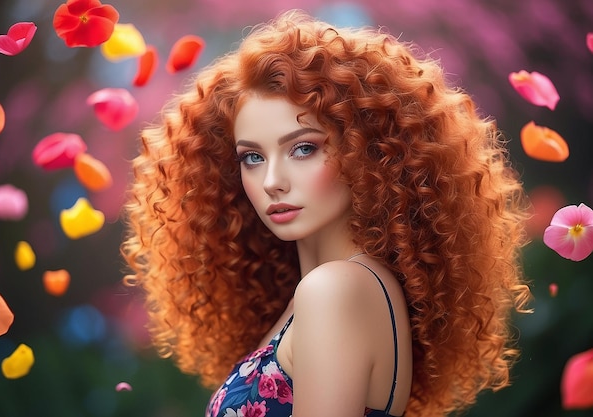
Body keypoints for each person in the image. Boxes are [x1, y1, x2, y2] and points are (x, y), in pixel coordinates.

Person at [121, 10, 531, 417]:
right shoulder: (342, 289)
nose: (272, 181)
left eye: (303, 148)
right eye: (251, 157)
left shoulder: (334, 290)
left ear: (367, 150)